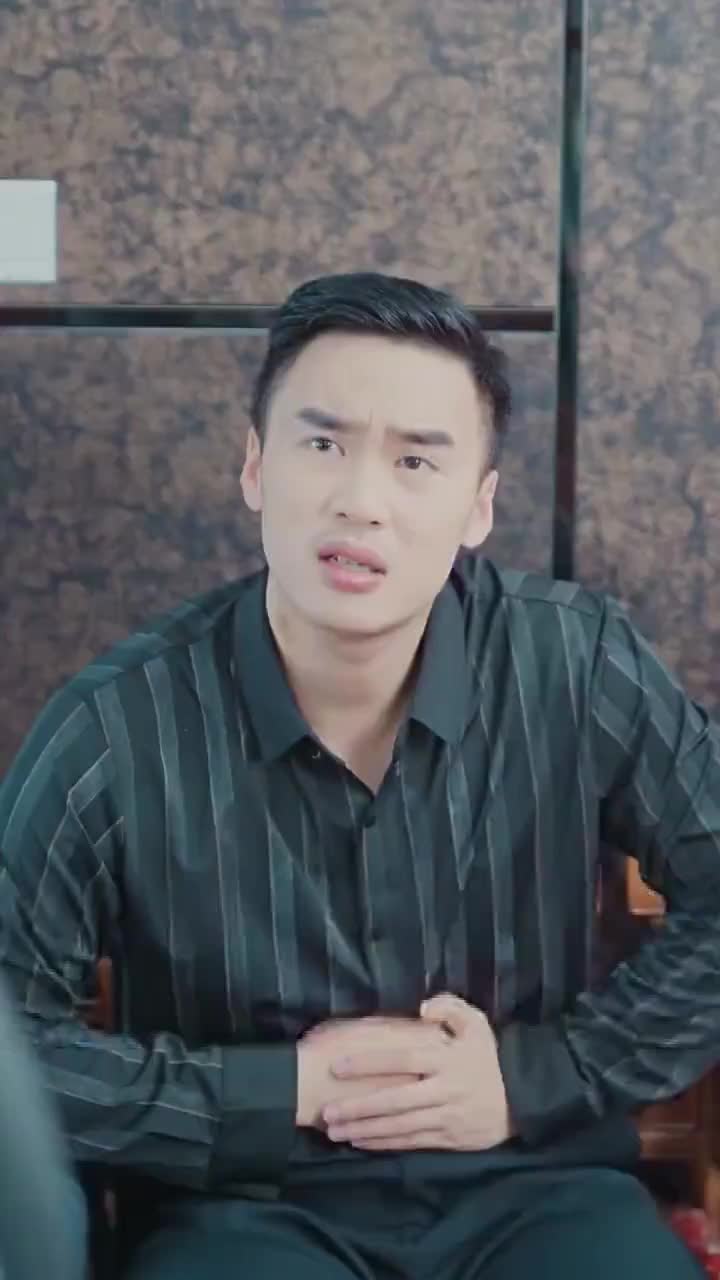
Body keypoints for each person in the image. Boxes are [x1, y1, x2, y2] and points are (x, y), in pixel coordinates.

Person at [0, 271, 716, 1280]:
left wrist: (535, 1076)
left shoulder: (577, 663)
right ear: (256, 466)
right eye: (323, 444)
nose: (360, 501)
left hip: (538, 1186)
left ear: (479, 506)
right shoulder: (116, 724)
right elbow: (11, 1041)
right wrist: (276, 1091)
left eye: (415, 460)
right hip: (243, 1212)